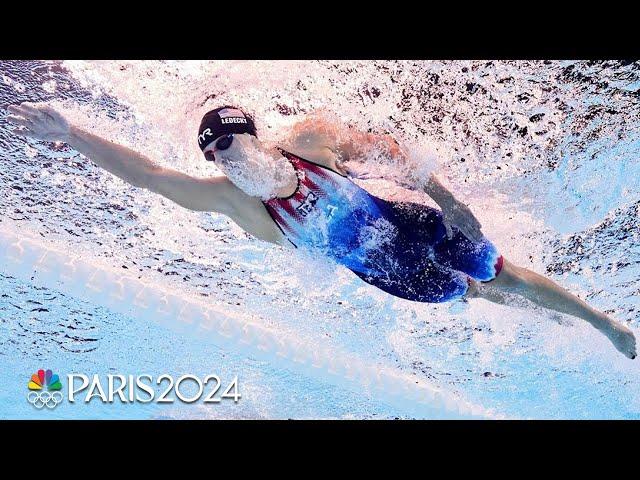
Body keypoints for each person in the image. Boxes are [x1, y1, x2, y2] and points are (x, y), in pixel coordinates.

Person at [6, 102, 637, 359]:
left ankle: (604, 325)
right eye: (216, 152)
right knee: (475, 294)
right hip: (390, 272)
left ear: (254, 135)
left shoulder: (308, 139)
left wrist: (450, 198)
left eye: (232, 140)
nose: (227, 155)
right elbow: (148, 175)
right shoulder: (239, 207)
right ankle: (558, 319)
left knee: (506, 275)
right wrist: (70, 133)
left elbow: (390, 151)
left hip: (416, 222)